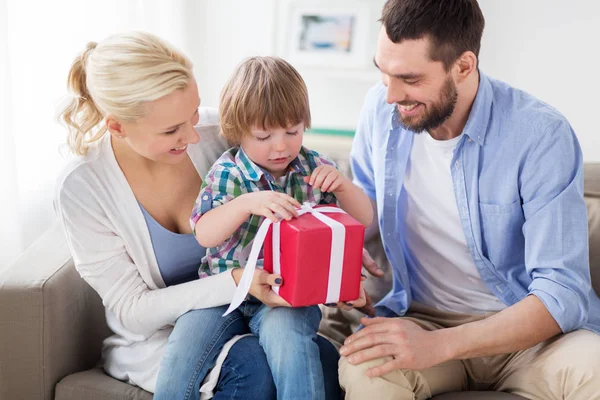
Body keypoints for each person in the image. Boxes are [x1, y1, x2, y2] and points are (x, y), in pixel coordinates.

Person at [54, 32, 340, 400]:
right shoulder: (83, 187)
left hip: (260, 307)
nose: (192, 135)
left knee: (324, 361)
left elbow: (294, 182)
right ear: (117, 126)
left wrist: (335, 244)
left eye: (193, 114)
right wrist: (237, 280)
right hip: (166, 333)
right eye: (172, 129)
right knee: (253, 370)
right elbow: (131, 310)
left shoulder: (217, 132)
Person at [337, 0, 600, 399]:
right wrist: (338, 240)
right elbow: (367, 208)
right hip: (420, 318)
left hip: (527, 336)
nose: (390, 95)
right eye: (383, 72)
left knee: (593, 367)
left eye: (409, 78)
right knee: (364, 371)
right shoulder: (380, 109)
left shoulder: (540, 135)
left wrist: (441, 346)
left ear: (463, 66)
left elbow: (562, 291)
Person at [190, 56, 372, 400]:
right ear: (237, 130)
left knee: (288, 340)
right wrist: (246, 204)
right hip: (224, 293)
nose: (281, 146)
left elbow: (364, 221)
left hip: (287, 297)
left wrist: (344, 187)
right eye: (264, 135)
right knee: (185, 350)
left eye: (293, 131)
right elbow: (204, 233)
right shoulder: (228, 173)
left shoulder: (313, 167)